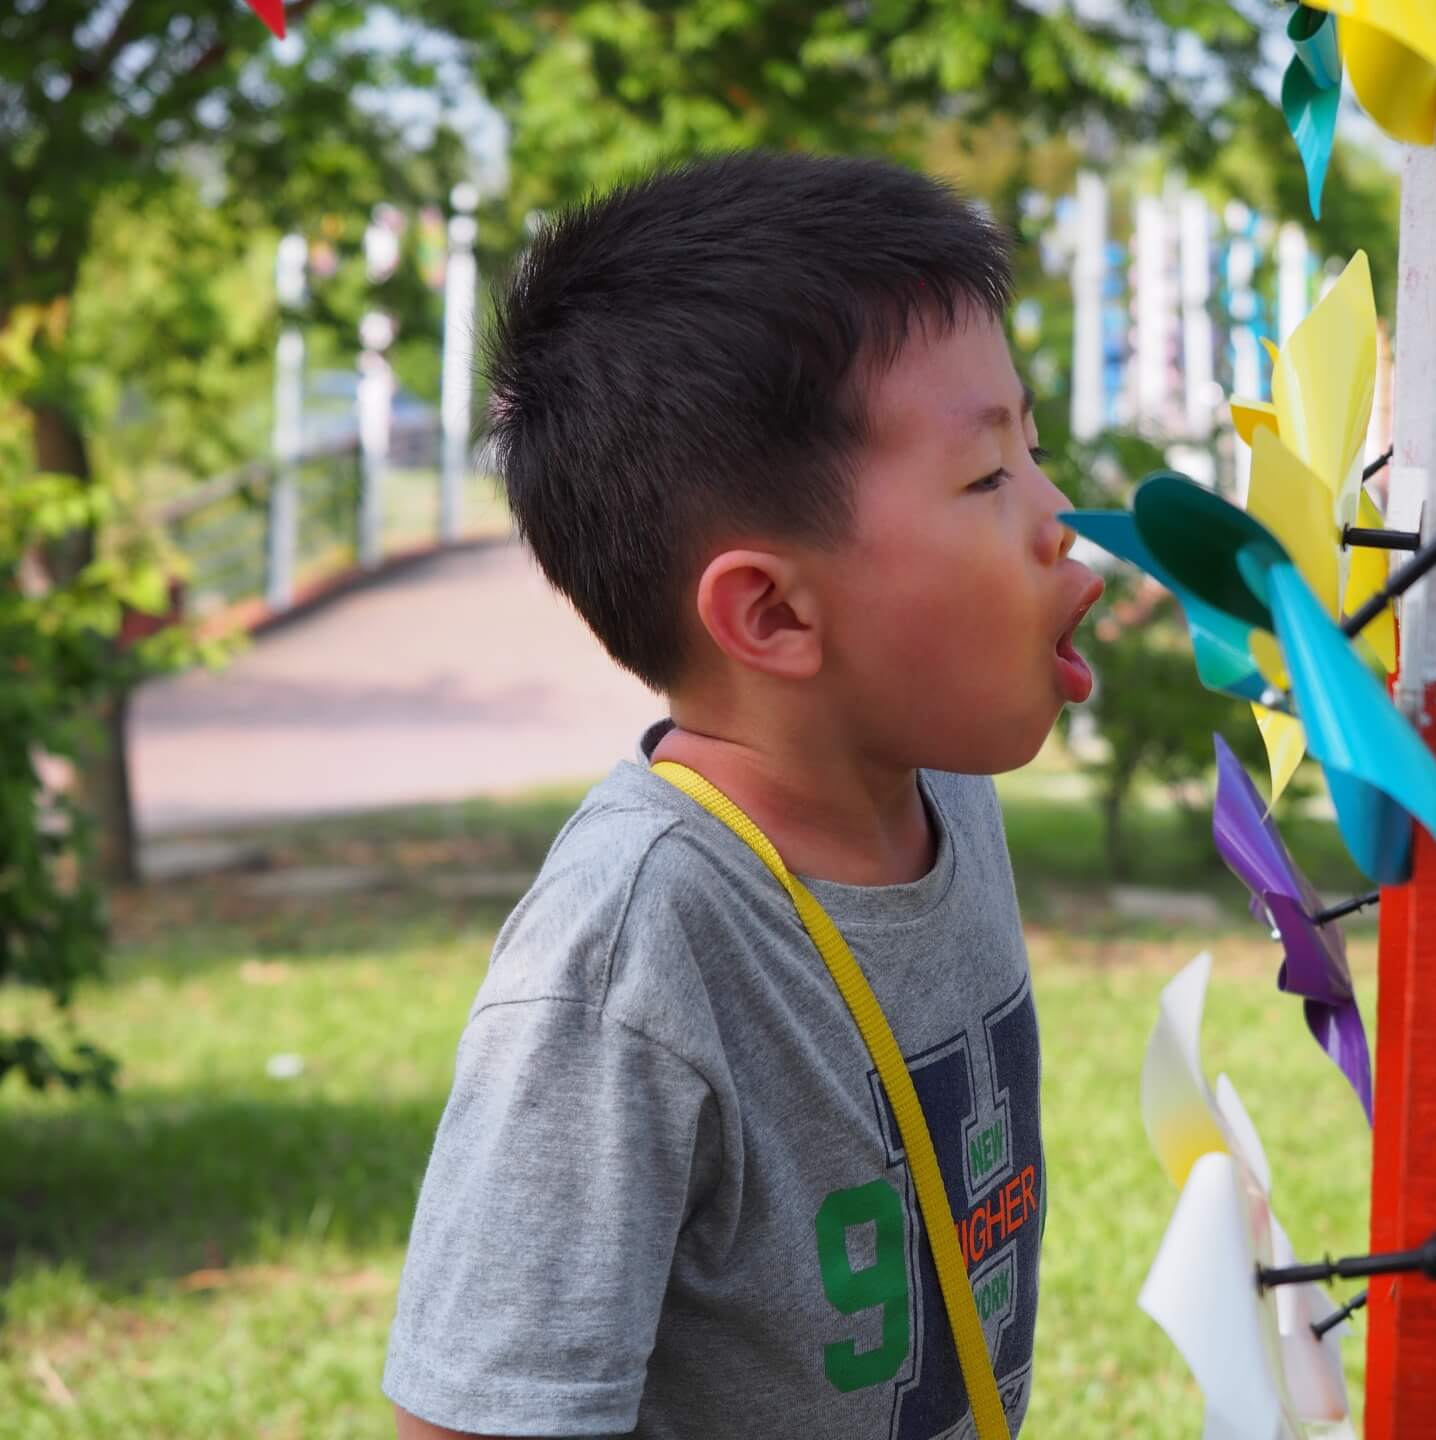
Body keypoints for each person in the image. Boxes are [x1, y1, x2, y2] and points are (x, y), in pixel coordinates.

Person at [383, 149, 1103, 1439]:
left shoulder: (943, 790)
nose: (1060, 517)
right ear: (771, 614)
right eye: (989, 477)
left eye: (1033, 451)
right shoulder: (626, 954)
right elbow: (471, 1421)